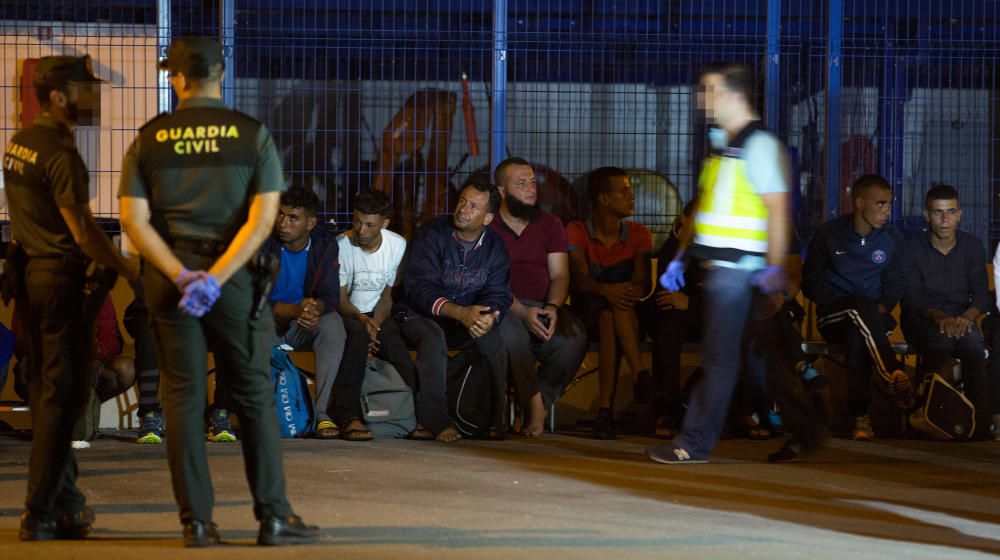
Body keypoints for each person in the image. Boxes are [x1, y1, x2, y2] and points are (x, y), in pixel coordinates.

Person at [118, 37, 318, 547]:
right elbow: (262, 219)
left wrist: (183, 275)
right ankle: (273, 516)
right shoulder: (251, 135)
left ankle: (197, 523)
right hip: (233, 280)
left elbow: (133, 222)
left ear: (176, 78)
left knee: (182, 396)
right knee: (250, 393)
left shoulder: (150, 138)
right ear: (221, 73)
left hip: (171, 277)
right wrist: (216, 276)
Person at [646, 61, 827, 464]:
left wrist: (774, 267)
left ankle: (692, 443)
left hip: (739, 273)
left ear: (732, 95)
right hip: (723, 273)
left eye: (708, 91)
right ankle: (808, 429)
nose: (700, 99)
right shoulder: (723, 146)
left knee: (720, 361)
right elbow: (706, 211)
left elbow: (778, 212)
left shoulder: (758, 147)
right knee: (762, 361)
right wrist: (680, 257)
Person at [3, 55, 137, 541]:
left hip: (31, 282)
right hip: (60, 285)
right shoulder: (61, 153)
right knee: (61, 400)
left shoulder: (20, 144)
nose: (94, 97)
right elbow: (83, 230)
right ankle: (39, 510)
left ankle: (69, 503)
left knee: (47, 397)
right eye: (86, 89)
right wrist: (130, 271)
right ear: (59, 96)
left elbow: (24, 217)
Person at [395, 179, 512, 442]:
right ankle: (435, 421)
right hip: (418, 314)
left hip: (464, 318)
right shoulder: (432, 234)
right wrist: (460, 313)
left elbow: (498, 293)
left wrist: (489, 317)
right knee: (433, 339)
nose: (462, 209)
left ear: (488, 218)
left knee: (494, 340)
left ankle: (493, 419)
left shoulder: (495, 247)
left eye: (473, 206)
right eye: (462, 201)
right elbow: (417, 288)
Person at [802, 174, 913, 441]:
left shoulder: (892, 240)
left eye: (889, 204)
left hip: (873, 321)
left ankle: (860, 419)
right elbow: (811, 283)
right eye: (880, 204)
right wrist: (844, 302)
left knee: (858, 336)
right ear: (860, 203)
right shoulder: (829, 235)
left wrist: (879, 310)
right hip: (833, 318)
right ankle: (891, 371)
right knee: (856, 311)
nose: (887, 210)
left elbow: (896, 285)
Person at [491, 158, 588, 437]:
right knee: (511, 336)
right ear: (502, 191)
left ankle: (540, 403)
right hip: (504, 306)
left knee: (573, 337)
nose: (531, 189)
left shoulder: (550, 223)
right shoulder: (489, 226)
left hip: (542, 305)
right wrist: (522, 312)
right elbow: (488, 282)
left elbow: (560, 275)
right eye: (520, 183)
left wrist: (553, 307)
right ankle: (531, 401)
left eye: (532, 182)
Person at [903, 185, 996, 440]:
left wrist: (967, 317)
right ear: (926, 215)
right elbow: (912, 297)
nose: (945, 219)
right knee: (938, 343)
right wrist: (939, 317)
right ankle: (926, 418)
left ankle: (980, 424)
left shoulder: (972, 246)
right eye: (938, 213)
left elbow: (981, 292)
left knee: (975, 349)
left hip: (962, 319)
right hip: (923, 319)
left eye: (950, 212)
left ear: (960, 214)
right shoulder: (911, 249)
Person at [566, 166, 652, 440]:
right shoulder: (577, 230)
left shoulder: (639, 233)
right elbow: (580, 280)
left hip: (624, 311)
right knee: (607, 313)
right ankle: (640, 375)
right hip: (586, 311)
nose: (632, 196)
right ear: (603, 199)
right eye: (623, 190)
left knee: (613, 314)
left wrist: (620, 293)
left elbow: (642, 285)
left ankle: (604, 412)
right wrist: (608, 290)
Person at [261, 185, 346, 440]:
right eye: (281, 215)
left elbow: (330, 297)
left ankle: (321, 414)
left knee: (333, 325)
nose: (283, 223)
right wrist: (294, 309)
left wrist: (312, 308)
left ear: (310, 223)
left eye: (293, 218)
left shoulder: (324, 245)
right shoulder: (263, 242)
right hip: (268, 323)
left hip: (302, 323)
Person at [335, 188, 414, 441]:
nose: (361, 230)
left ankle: (418, 414)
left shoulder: (397, 245)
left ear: (384, 223)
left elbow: (388, 296)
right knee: (356, 339)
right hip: (349, 313)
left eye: (369, 224)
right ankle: (348, 416)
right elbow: (340, 299)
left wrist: (376, 323)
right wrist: (362, 321)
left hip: (378, 314)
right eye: (357, 221)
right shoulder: (341, 245)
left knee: (396, 347)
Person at [637, 200, 701, 439]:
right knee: (668, 328)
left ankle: (690, 398)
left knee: (739, 330)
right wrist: (684, 240)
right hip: (678, 319)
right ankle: (666, 410)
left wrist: (692, 303)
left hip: (709, 316)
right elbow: (667, 295)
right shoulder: (673, 247)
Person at [70, 296, 137, 448]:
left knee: (126, 368)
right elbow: (22, 338)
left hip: (90, 361)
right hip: (48, 364)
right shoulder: (41, 289)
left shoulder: (97, 294)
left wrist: (96, 351)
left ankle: (86, 410)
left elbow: (112, 339)